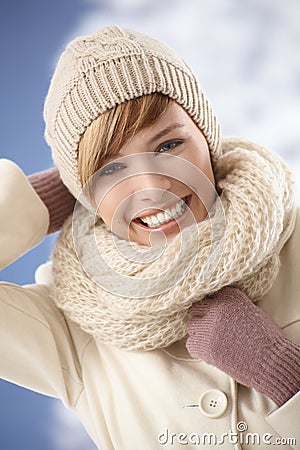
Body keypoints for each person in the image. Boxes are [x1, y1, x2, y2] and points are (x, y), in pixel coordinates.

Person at [0, 25, 299, 450]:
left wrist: (283, 373)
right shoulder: (70, 325)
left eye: (168, 146)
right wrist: (45, 199)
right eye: (111, 168)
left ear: (206, 137)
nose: (151, 185)